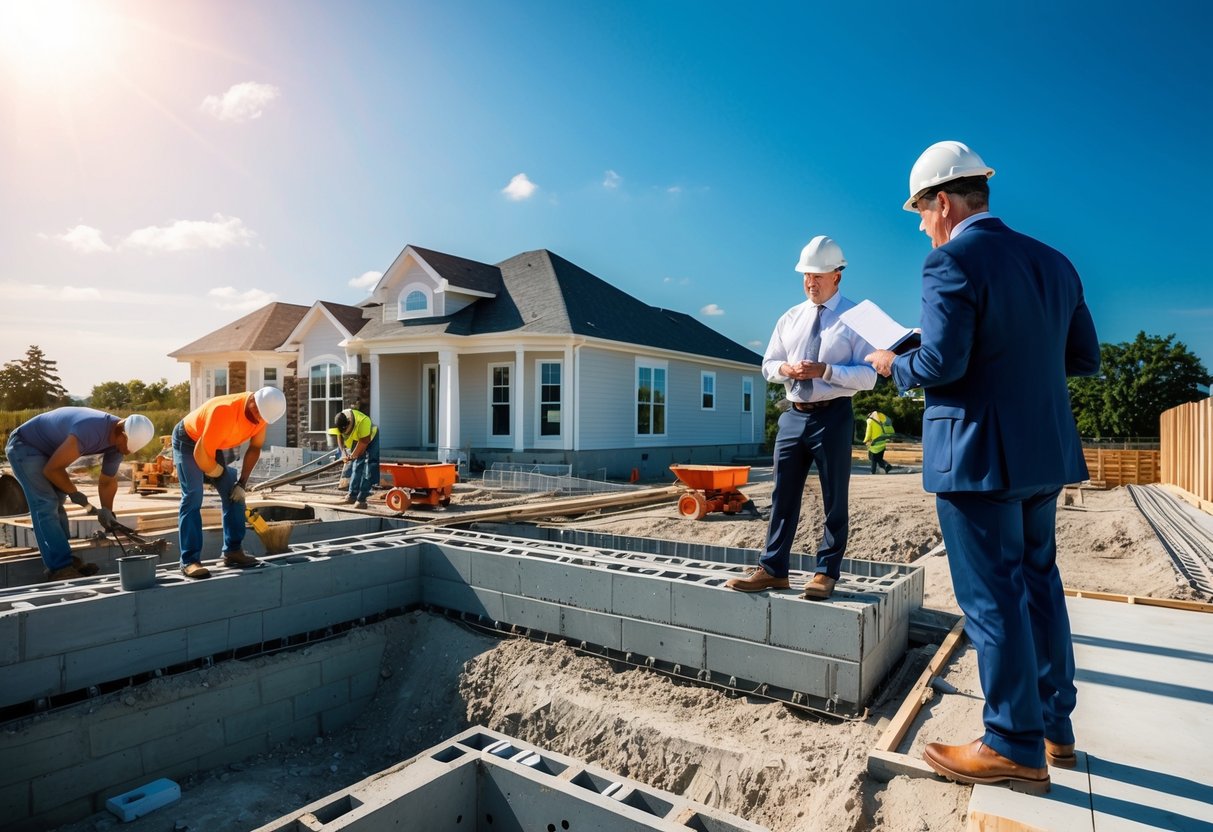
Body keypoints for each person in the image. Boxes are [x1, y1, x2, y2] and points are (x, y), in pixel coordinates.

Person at [866, 141, 1100, 794]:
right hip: (1041, 453)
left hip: (974, 458)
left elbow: (940, 364)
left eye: (919, 212)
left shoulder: (950, 262)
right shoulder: (1055, 264)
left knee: (992, 598)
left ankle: (1011, 745)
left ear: (941, 203)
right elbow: (1081, 358)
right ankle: (1055, 728)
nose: (919, 225)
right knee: (1037, 585)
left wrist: (895, 366)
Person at [726, 235, 876, 600]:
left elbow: (869, 376)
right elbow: (768, 365)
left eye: (818, 276)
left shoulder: (857, 318)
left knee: (833, 497)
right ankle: (773, 569)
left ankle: (826, 572)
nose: (811, 282)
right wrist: (787, 369)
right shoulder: (790, 317)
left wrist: (826, 370)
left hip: (834, 415)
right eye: (806, 276)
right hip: (793, 415)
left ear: (837, 276)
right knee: (783, 495)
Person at [5, 408, 155, 580]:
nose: (126, 452)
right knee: (45, 503)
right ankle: (59, 567)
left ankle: (65, 559)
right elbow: (52, 469)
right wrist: (74, 493)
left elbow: (107, 481)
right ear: (121, 430)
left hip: (49, 450)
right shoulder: (90, 429)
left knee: (58, 500)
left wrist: (107, 511)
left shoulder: (118, 445)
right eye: (126, 446)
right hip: (25, 445)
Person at [172, 387, 287, 579]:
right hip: (189, 440)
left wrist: (242, 483)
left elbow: (255, 447)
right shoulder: (224, 411)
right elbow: (200, 454)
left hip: (212, 442)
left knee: (234, 494)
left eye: (263, 417)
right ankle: (189, 561)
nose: (259, 419)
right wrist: (214, 471)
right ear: (252, 400)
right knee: (193, 496)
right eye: (258, 413)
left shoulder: (262, 415)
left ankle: (232, 551)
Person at [331, 407, 380, 510]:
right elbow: (339, 437)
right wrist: (343, 453)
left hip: (370, 437)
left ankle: (361, 499)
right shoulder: (341, 419)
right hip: (357, 437)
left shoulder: (363, 422)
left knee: (369, 466)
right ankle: (352, 496)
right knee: (356, 465)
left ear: (349, 423)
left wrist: (353, 455)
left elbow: (364, 442)